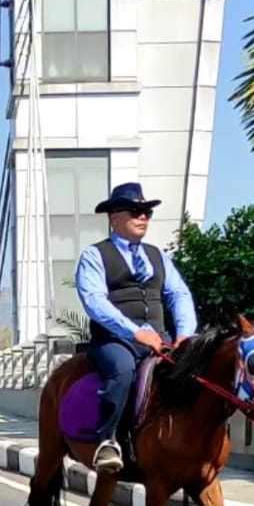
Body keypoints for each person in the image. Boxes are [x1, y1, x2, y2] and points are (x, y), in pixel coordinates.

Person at [74, 182, 198, 475]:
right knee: (123, 370)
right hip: (114, 339)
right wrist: (134, 332)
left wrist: (184, 334)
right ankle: (107, 441)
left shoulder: (157, 256)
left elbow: (178, 294)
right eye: (135, 211)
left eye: (147, 211)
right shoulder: (94, 256)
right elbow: (94, 302)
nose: (143, 216)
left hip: (160, 337)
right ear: (114, 217)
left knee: (195, 374)